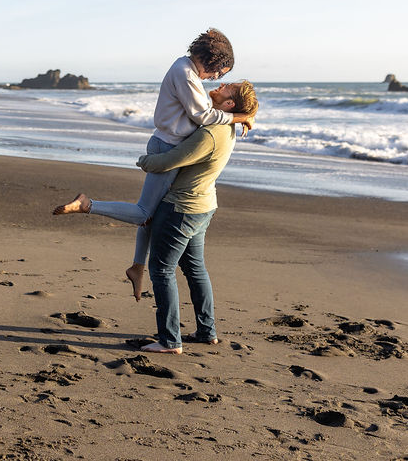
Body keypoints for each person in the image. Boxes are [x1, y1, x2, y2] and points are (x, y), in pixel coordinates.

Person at [53, 29, 255, 301]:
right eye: (220, 72)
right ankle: (88, 205)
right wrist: (240, 117)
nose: (218, 78)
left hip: (168, 144)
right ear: (212, 60)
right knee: (142, 213)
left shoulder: (188, 72)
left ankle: (137, 266)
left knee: (151, 213)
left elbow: (202, 111)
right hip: (167, 147)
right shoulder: (184, 73)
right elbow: (203, 115)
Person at [135, 83, 258, 353]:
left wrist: (143, 161)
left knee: (162, 270)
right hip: (202, 206)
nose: (222, 85)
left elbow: (169, 161)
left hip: (181, 208)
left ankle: (169, 340)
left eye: (229, 88)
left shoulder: (211, 134)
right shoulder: (224, 128)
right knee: (194, 268)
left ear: (228, 105)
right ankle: (206, 331)